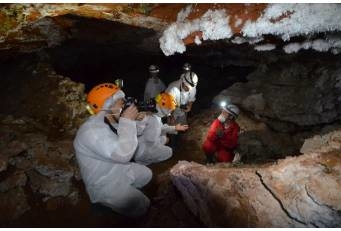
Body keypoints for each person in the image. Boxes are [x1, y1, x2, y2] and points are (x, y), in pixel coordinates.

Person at [73, 83, 152, 217]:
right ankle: (102, 203)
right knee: (141, 205)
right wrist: (128, 122)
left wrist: (138, 121)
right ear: (106, 106)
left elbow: (134, 135)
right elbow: (123, 154)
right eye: (120, 103)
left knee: (147, 174)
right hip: (103, 183)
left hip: (118, 169)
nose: (123, 106)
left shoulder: (108, 120)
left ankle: (125, 192)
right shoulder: (91, 132)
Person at [134, 92, 188, 165]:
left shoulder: (154, 116)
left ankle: (147, 156)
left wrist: (175, 127)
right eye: (169, 109)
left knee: (164, 138)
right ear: (164, 108)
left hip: (142, 144)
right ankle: (145, 161)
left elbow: (161, 127)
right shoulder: (146, 116)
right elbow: (149, 137)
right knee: (169, 151)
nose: (169, 112)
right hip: (143, 150)